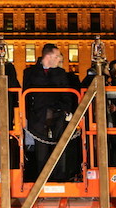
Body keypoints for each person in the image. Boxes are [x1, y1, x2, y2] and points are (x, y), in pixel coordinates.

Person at [22, 44, 80, 181]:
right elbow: (25, 93)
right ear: (48, 57)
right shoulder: (30, 72)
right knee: (41, 150)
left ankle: (60, 178)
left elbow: (66, 93)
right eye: (56, 56)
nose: (59, 59)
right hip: (38, 115)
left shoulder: (60, 73)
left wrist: (66, 111)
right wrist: (25, 116)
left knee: (60, 148)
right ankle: (42, 180)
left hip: (58, 114)